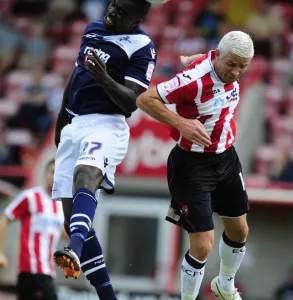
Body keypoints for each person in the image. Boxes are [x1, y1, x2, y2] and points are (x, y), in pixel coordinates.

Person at [136, 31, 254, 300]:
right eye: (232, 64)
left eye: (243, 66)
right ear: (220, 56)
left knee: (240, 230)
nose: (236, 72)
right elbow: (144, 99)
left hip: (226, 157)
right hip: (192, 165)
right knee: (202, 246)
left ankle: (224, 285)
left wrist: (195, 57)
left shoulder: (219, 59)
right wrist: (181, 123)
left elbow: (210, 57)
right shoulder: (193, 81)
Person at [52, 0, 157, 299]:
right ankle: (107, 296)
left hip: (107, 124)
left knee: (87, 175)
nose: (112, 11)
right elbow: (74, 76)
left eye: (122, 11)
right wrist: (61, 120)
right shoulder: (93, 28)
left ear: (137, 17)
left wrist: (104, 78)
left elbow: (130, 102)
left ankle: (73, 248)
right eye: (113, 4)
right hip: (75, 123)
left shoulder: (142, 46)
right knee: (70, 218)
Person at [0, 160, 66, 300]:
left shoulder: (61, 206)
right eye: (52, 172)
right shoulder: (30, 197)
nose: (54, 177)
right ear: (45, 174)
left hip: (48, 271)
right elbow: (5, 218)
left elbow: (64, 234)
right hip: (30, 270)